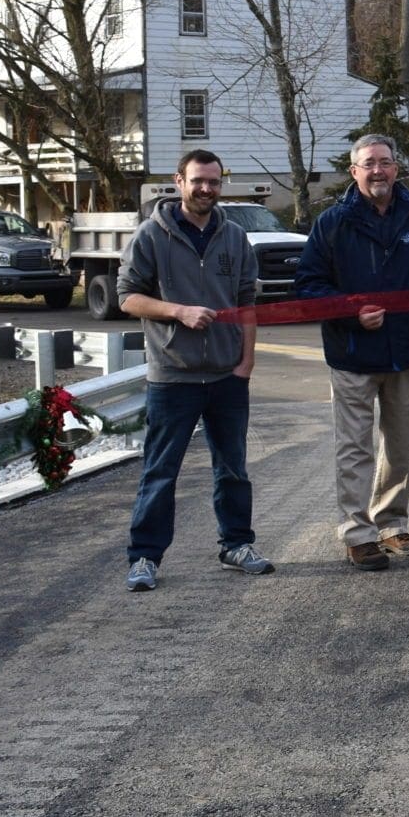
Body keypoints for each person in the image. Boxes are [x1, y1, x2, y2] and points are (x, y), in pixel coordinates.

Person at [293, 134, 409, 572]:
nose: (378, 170)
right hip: (353, 353)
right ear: (354, 171)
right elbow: (309, 286)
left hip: (408, 351)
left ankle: (392, 523)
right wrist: (351, 313)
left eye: (385, 162)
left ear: (397, 168)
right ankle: (357, 532)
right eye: (368, 163)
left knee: (400, 446)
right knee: (355, 449)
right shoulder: (333, 223)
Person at [121, 149, 269, 591]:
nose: (206, 188)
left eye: (214, 181)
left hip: (226, 377)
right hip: (173, 376)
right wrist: (177, 311)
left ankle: (237, 545)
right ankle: (144, 557)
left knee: (233, 468)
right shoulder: (151, 235)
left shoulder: (235, 237)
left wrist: (246, 361)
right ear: (179, 182)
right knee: (160, 470)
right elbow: (128, 297)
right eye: (198, 180)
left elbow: (247, 302)